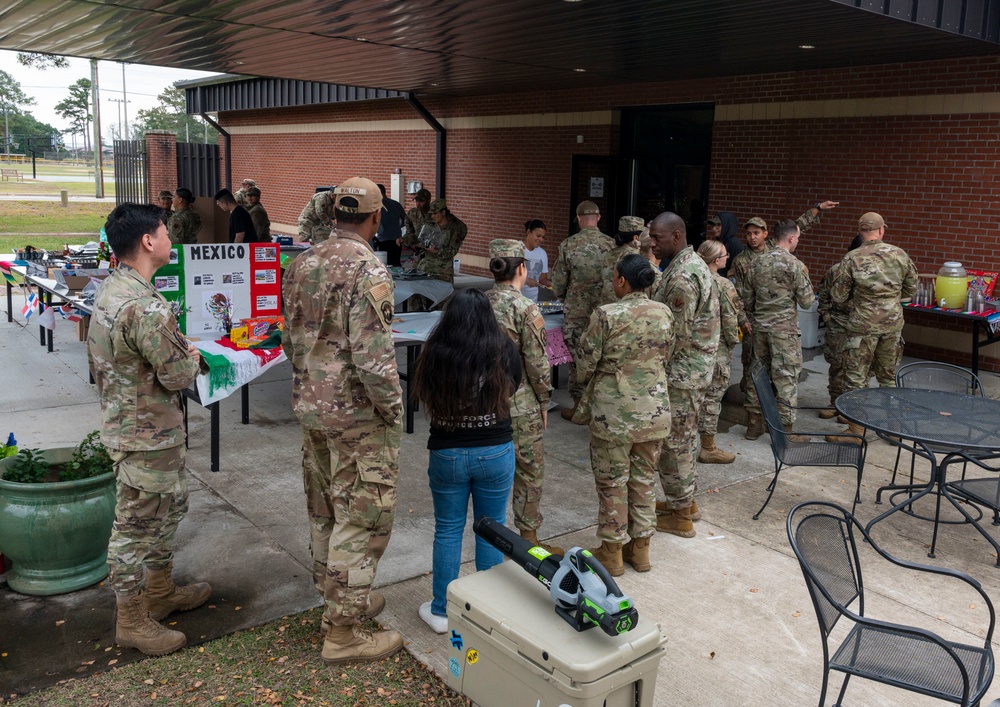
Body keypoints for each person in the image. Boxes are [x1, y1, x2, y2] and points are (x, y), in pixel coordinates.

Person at [281, 176, 404, 664]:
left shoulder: (302, 261)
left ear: (335, 213)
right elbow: (375, 359)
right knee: (363, 516)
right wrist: (393, 411)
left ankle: (338, 598)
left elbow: (290, 340)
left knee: (325, 508)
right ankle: (344, 632)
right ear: (376, 218)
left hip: (312, 406)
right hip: (357, 417)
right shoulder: (368, 269)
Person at [87, 203, 208, 657]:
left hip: (138, 427)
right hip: (145, 434)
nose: (170, 236)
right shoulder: (143, 307)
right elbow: (178, 376)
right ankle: (132, 619)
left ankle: (160, 590)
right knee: (135, 525)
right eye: (165, 230)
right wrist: (191, 355)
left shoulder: (114, 289)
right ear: (148, 242)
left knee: (168, 507)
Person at [411, 288, 520, 634]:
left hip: (448, 452)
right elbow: (514, 387)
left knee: (448, 529)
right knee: (492, 528)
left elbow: (423, 392)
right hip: (495, 450)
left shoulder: (434, 352)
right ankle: (488, 610)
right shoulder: (505, 349)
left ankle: (442, 611)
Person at [574, 253, 673, 575]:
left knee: (612, 481)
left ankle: (612, 551)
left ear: (621, 280)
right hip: (654, 409)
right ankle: (641, 549)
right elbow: (667, 354)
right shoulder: (664, 312)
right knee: (644, 479)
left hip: (613, 414)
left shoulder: (606, 314)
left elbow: (586, 362)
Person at [648, 211, 718, 538]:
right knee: (685, 438)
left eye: (657, 238)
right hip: (694, 372)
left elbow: (674, 336)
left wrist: (649, 367)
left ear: (676, 236)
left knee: (674, 443)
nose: (652, 243)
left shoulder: (681, 277)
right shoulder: (689, 264)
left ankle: (679, 514)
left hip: (681, 375)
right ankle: (686, 502)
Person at [485, 239, 557, 552]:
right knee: (528, 472)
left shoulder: (477, 302)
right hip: (520, 404)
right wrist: (544, 400)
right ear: (522, 268)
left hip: (483, 402)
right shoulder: (525, 308)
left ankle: (491, 534)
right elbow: (537, 362)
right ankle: (527, 538)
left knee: (490, 472)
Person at [826, 212, 917, 444]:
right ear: (882, 230)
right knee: (887, 376)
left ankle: (856, 432)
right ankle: (894, 428)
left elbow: (837, 296)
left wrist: (859, 302)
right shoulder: (899, 255)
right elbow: (911, 289)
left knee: (856, 379)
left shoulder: (852, 258)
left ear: (860, 231)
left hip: (862, 326)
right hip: (892, 325)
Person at [743, 219, 814, 440]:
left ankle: (754, 425)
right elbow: (807, 301)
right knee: (786, 379)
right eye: (798, 238)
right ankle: (785, 432)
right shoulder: (795, 265)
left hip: (760, 329)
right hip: (784, 332)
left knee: (758, 375)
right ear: (791, 238)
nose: (797, 242)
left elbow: (747, 299)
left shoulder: (756, 263)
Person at [551, 200, 614, 420]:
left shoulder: (568, 245)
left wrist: (564, 297)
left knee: (577, 358)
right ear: (598, 218)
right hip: (604, 312)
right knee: (602, 356)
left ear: (578, 218)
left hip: (576, 312)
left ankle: (579, 407)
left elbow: (558, 282)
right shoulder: (611, 245)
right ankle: (598, 405)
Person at [695, 240, 746, 463]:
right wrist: (733, 342)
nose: (727, 258)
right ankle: (708, 447)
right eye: (725, 255)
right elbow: (729, 320)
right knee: (712, 398)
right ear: (716, 260)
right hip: (716, 349)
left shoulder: (690, 278)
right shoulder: (724, 285)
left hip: (691, 348)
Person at [817, 237, 862, 419]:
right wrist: (828, 318)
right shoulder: (836, 271)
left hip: (860, 326)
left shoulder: (869, 273)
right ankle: (835, 402)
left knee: (856, 368)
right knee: (836, 365)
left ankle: (850, 408)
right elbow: (823, 297)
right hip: (837, 324)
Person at [412, 199, 467, 283]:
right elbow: (420, 239)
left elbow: (452, 251)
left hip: (442, 272)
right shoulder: (430, 224)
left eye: (435, 213)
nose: (432, 216)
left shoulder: (455, 229)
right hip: (425, 268)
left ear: (443, 212)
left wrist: (436, 251)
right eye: (431, 214)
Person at [598, 215, 645, 306]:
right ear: (636, 238)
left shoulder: (611, 252)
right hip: (624, 305)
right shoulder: (635, 255)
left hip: (606, 303)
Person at [374, 184, 405, 266]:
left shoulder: (377, 206)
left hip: (381, 239)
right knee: (396, 263)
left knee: (383, 264)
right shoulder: (396, 204)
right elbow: (404, 221)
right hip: (396, 239)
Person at [520, 219, 550, 302]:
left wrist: (553, 284)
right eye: (538, 236)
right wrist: (527, 280)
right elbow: (508, 274)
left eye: (543, 237)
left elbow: (542, 278)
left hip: (533, 301)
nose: (541, 239)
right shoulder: (516, 249)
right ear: (529, 232)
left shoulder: (542, 253)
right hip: (516, 300)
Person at [399, 188, 432, 255]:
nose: (418, 204)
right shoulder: (413, 213)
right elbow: (409, 231)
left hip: (432, 250)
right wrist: (406, 239)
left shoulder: (435, 214)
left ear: (428, 200)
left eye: (421, 201)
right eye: (416, 201)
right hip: (418, 250)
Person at [715, 212, 742, 277]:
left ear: (727, 225)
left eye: (718, 225)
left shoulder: (735, 244)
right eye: (714, 225)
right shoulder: (720, 241)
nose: (714, 228)